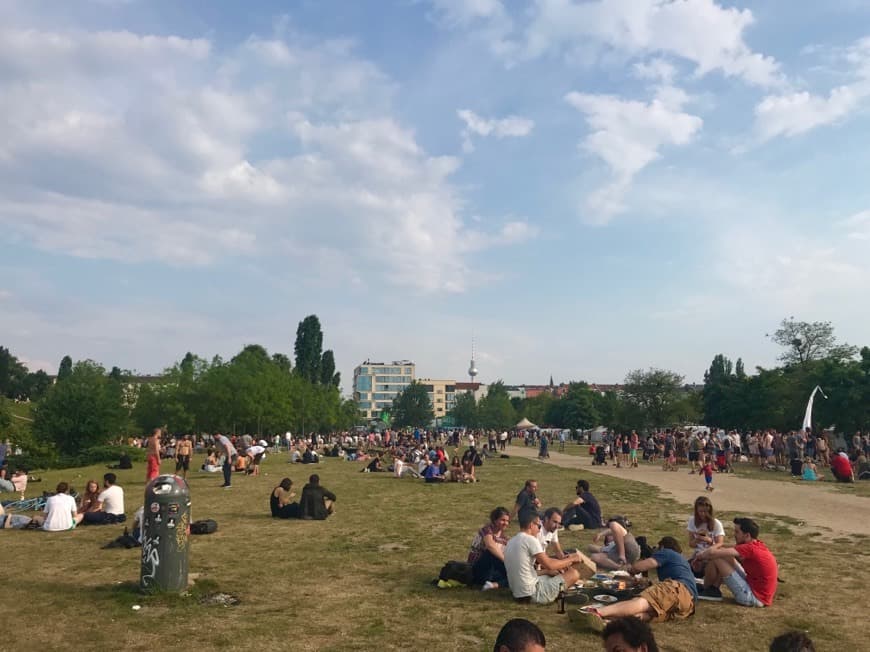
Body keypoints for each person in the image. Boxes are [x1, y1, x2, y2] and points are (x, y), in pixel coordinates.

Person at [571, 536, 697, 632]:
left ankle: (597, 612)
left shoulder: (667, 552)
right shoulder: (681, 562)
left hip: (679, 589)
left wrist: (630, 570)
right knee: (648, 614)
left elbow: (643, 566)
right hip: (688, 605)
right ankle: (608, 624)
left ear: (662, 547)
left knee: (643, 602)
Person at [503, 509, 590, 605]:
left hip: (517, 593)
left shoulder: (511, 541)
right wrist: (572, 559)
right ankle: (560, 596)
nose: (539, 529)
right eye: (538, 526)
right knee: (574, 574)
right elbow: (550, 565)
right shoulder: (530, 539)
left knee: (553, 574)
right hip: (532, 593)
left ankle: (559, 594)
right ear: (531, 525)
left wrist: (551, 569)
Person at [696, 517, 778, 607]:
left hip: (753, 597)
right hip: (759, 593)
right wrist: (715, 543)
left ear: (747, 535)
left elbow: (712, 553)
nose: (734, 534)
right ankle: (712, 588)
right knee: (725, 555)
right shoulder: (756, 545)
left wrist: (699, 557)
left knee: (717, 557)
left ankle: (708, 590)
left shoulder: (749, 548)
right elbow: (726, 549)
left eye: (737, 532)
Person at [468, 507, 511, 590]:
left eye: (507, 521)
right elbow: (490, 545)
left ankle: (496, 584)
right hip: (476, 569)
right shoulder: (486, 530)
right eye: (503, 520)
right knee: (491, 552)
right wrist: (507, 562)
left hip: (491, 572)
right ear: (495, 520)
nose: (505, 523)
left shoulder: (504, 538)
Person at [687, 496, 725, 577]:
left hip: (711, 554)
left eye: (705, 512)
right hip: (698, 554)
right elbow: (691, 544)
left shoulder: (716, 524)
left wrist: (709, 540)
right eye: (700, 511)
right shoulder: (692, 521)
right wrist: (697, 540)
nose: (703, 514)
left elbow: (720, 543)